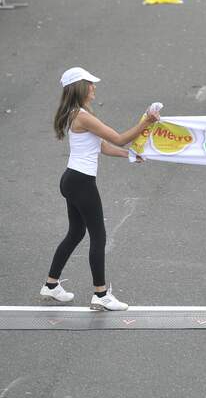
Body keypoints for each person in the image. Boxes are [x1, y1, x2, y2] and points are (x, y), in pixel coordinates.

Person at [41, 67, 160, 311]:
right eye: (90, 83)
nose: (94, 87)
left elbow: (103, 147)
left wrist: (129, 155)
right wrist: (147, 120)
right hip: (81, 182)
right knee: (98, 236)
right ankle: (101, 295)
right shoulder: (82, 116)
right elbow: (118, 138)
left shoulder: (77, 113)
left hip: (72, 180)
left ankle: (51, 285)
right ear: (80, 87)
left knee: (76, 233)